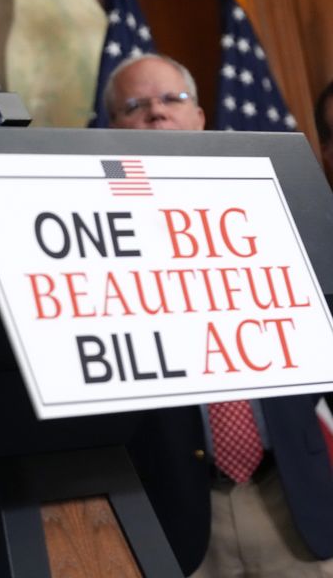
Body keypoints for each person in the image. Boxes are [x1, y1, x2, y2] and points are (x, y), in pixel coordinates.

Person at [104, 53, 333, 577]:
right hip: (172, 517)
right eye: (135, 106)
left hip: (294, 501)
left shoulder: (266, 205)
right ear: (111, 127)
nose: (156, 114)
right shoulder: (98, 229)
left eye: (171, 100)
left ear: (200, 116)